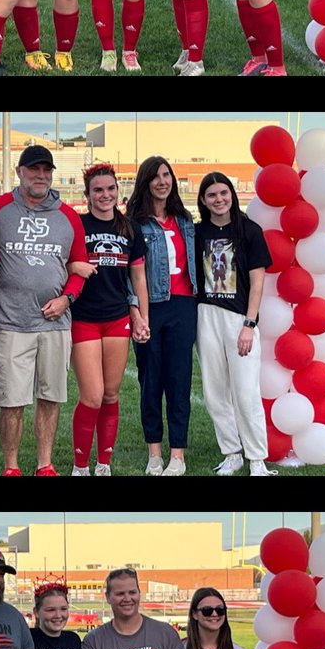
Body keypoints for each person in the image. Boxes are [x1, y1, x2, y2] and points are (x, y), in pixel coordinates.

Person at [0, 145, 90, 477]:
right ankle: (11, 466)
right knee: (11, 401)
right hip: (11, 323)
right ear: (19, 172)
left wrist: (67, 299)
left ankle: (45, 464)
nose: (41, 176)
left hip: (55, 324)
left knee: (50, 397)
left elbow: (79, 268)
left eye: (47, 170)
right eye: (34, 170)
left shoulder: (68, 216)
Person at [70, 164, 150, 476]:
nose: (105, 195)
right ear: (87, 195)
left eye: (110, 189)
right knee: (91, 396)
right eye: (98, 190)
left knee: (111, 394)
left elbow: (139, 278)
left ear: (118, 190)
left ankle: (103, 464)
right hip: (84, 318)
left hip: (118, 319)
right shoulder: (77, 226)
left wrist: (143, 316)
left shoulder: (130, 228)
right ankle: (80, 466)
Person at [194, 172, 274, 476]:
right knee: (215, 391)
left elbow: (257, 282)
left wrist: (249, 324)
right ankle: (232, 452)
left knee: (245, 392)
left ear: (232, 194)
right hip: (206, 315)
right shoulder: (198, 232)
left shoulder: (249, 231)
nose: (219, 200)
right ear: (203, 200)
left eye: (223, 193)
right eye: (212, 195)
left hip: (239, 318)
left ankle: (257, 459)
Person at [125, 156, 198, 475]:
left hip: (184, 307)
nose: (162, 181)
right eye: (155, 176)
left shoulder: (185, 220)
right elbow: (129, 273)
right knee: (151, 381)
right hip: (150, 307)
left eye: (167, 175)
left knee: (179, 381)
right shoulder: (134, 224)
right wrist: (137, 312)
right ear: (145, 182)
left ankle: (177, 456)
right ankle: (154, 452)